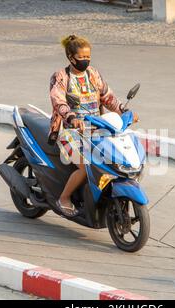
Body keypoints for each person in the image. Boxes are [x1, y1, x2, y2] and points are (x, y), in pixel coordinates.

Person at [48, 34, 138, 217]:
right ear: (70, 57)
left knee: (114, 159)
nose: (85, 61)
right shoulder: (61, 76)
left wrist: (124, 111)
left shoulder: (93, 74)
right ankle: (64, 198)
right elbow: (58, 101)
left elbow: (108, 97)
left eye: (88, 57)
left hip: (98, 129)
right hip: (70, 131)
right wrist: (72, 118)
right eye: (81, 58)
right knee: (85, 165)